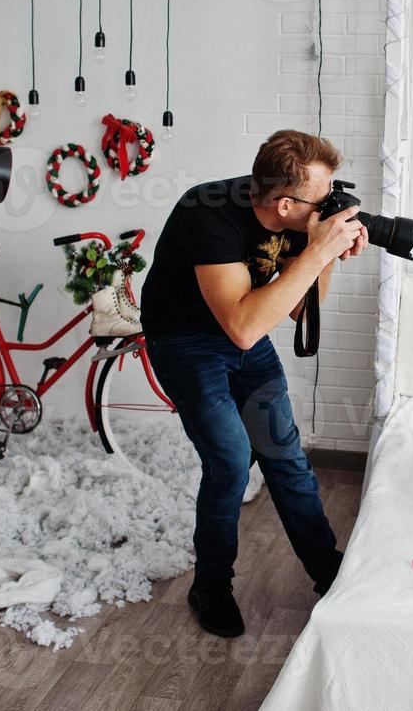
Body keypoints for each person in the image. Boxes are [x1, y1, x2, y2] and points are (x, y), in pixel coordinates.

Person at [139, 129, 367, 638]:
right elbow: (241, 326)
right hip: (186, 341)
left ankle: (328, 572)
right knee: (229, 461)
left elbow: (300, 307)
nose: (327, 206)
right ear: (284, 203)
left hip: (248, 333)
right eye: (319, 200)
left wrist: (322, 251)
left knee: (286, 457)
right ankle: (211, 586)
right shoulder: (207, 213)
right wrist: (315, 252)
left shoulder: (298, 217)